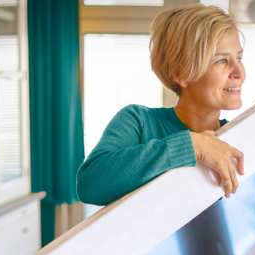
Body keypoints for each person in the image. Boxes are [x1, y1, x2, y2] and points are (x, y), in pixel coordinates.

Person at [76, 4, 245, 206]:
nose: (239, 72)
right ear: (181, 73)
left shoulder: (240, 139)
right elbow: (90, 186)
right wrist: (192, 145)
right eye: (222, 61)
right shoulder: (139, 123)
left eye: (239, 58)